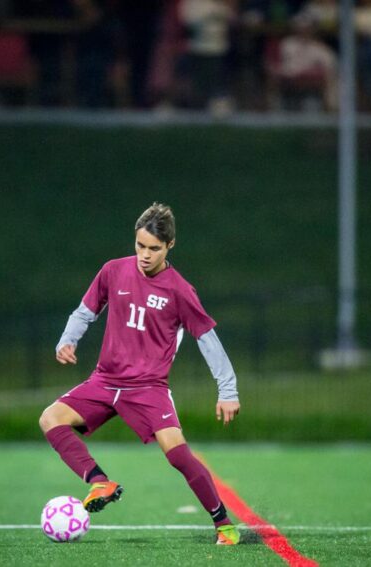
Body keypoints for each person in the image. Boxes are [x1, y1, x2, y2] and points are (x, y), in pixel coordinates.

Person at [39, 202, 242, 546]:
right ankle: (99, 481)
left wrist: (228, 390)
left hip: (148, 388)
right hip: (104, 381)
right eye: (140, 246)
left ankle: (224, 524)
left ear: (170, 246)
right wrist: (67, 340)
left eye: (154, 248)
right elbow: (85, 311)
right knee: (51, 418)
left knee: (178, 454)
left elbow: (207, 339)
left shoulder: (179, 290)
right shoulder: (113, 271)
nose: (144, 255)